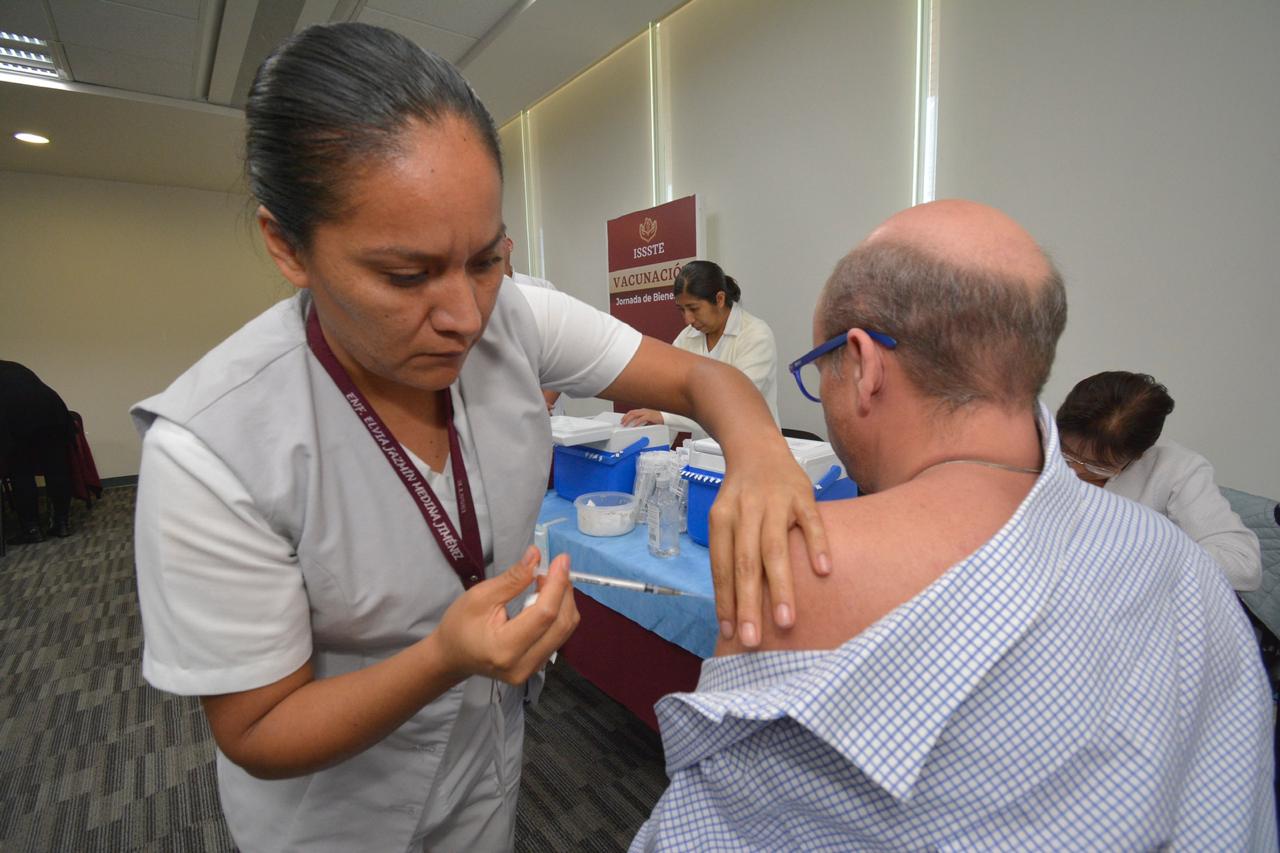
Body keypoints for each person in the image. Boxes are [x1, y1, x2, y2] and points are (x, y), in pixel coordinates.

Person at [130, 23, 827, 853]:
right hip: (333, 817)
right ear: (289, 246)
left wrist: (760, 454)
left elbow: (698, 379)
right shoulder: (214, 451)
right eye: (406, 275)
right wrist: (442, 657)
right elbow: (257, 728)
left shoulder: (517, 314)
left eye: (486, 259)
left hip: (486, 765)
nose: (465, 316)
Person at [634, 200, 1274, 850]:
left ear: (863, 364)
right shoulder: (1187, 571)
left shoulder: (803, 570)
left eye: (820, 369)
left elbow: (702, 832)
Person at [1056, 370, 1262, 591]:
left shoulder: (1177, 469)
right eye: (1066, 452)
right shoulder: (1032, 445)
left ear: (1139, 455)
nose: (1075, 470)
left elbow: (1244, 566)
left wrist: (1144, 556)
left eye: (1096, 465)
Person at [621, 260, 778, 435]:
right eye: (682, 310)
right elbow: (670, 396)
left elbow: (734, 406)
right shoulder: (687, 337)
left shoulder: (755, 335)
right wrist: (655, 453)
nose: (688, 319)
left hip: (753, 448)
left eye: (694, 308)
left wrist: (664, 417)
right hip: (703, 453)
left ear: (719, 299)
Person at [0, 360, 74, 542]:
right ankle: (61, 523)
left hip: (17, 415)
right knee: (56, 468)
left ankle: (31, 529)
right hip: (52, 409)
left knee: (21, 471)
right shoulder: (11, 366)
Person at [502, 233, 563, 415]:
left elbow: (562, 352)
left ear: (509, 244)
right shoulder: (472, 295)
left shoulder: (543, 290)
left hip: (547, 409)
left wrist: (543, 404)